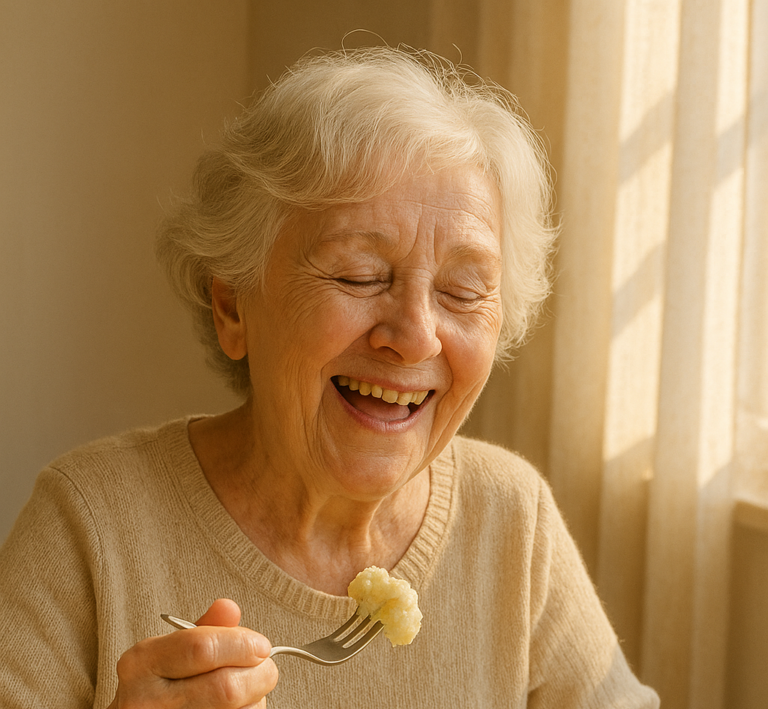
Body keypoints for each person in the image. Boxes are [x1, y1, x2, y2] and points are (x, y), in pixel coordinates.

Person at [0, 46, 659, 708]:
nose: (416, 335)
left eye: (462, 290)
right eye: (359, 275)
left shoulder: (512, 522)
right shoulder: (90, 525)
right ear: (232, 306)